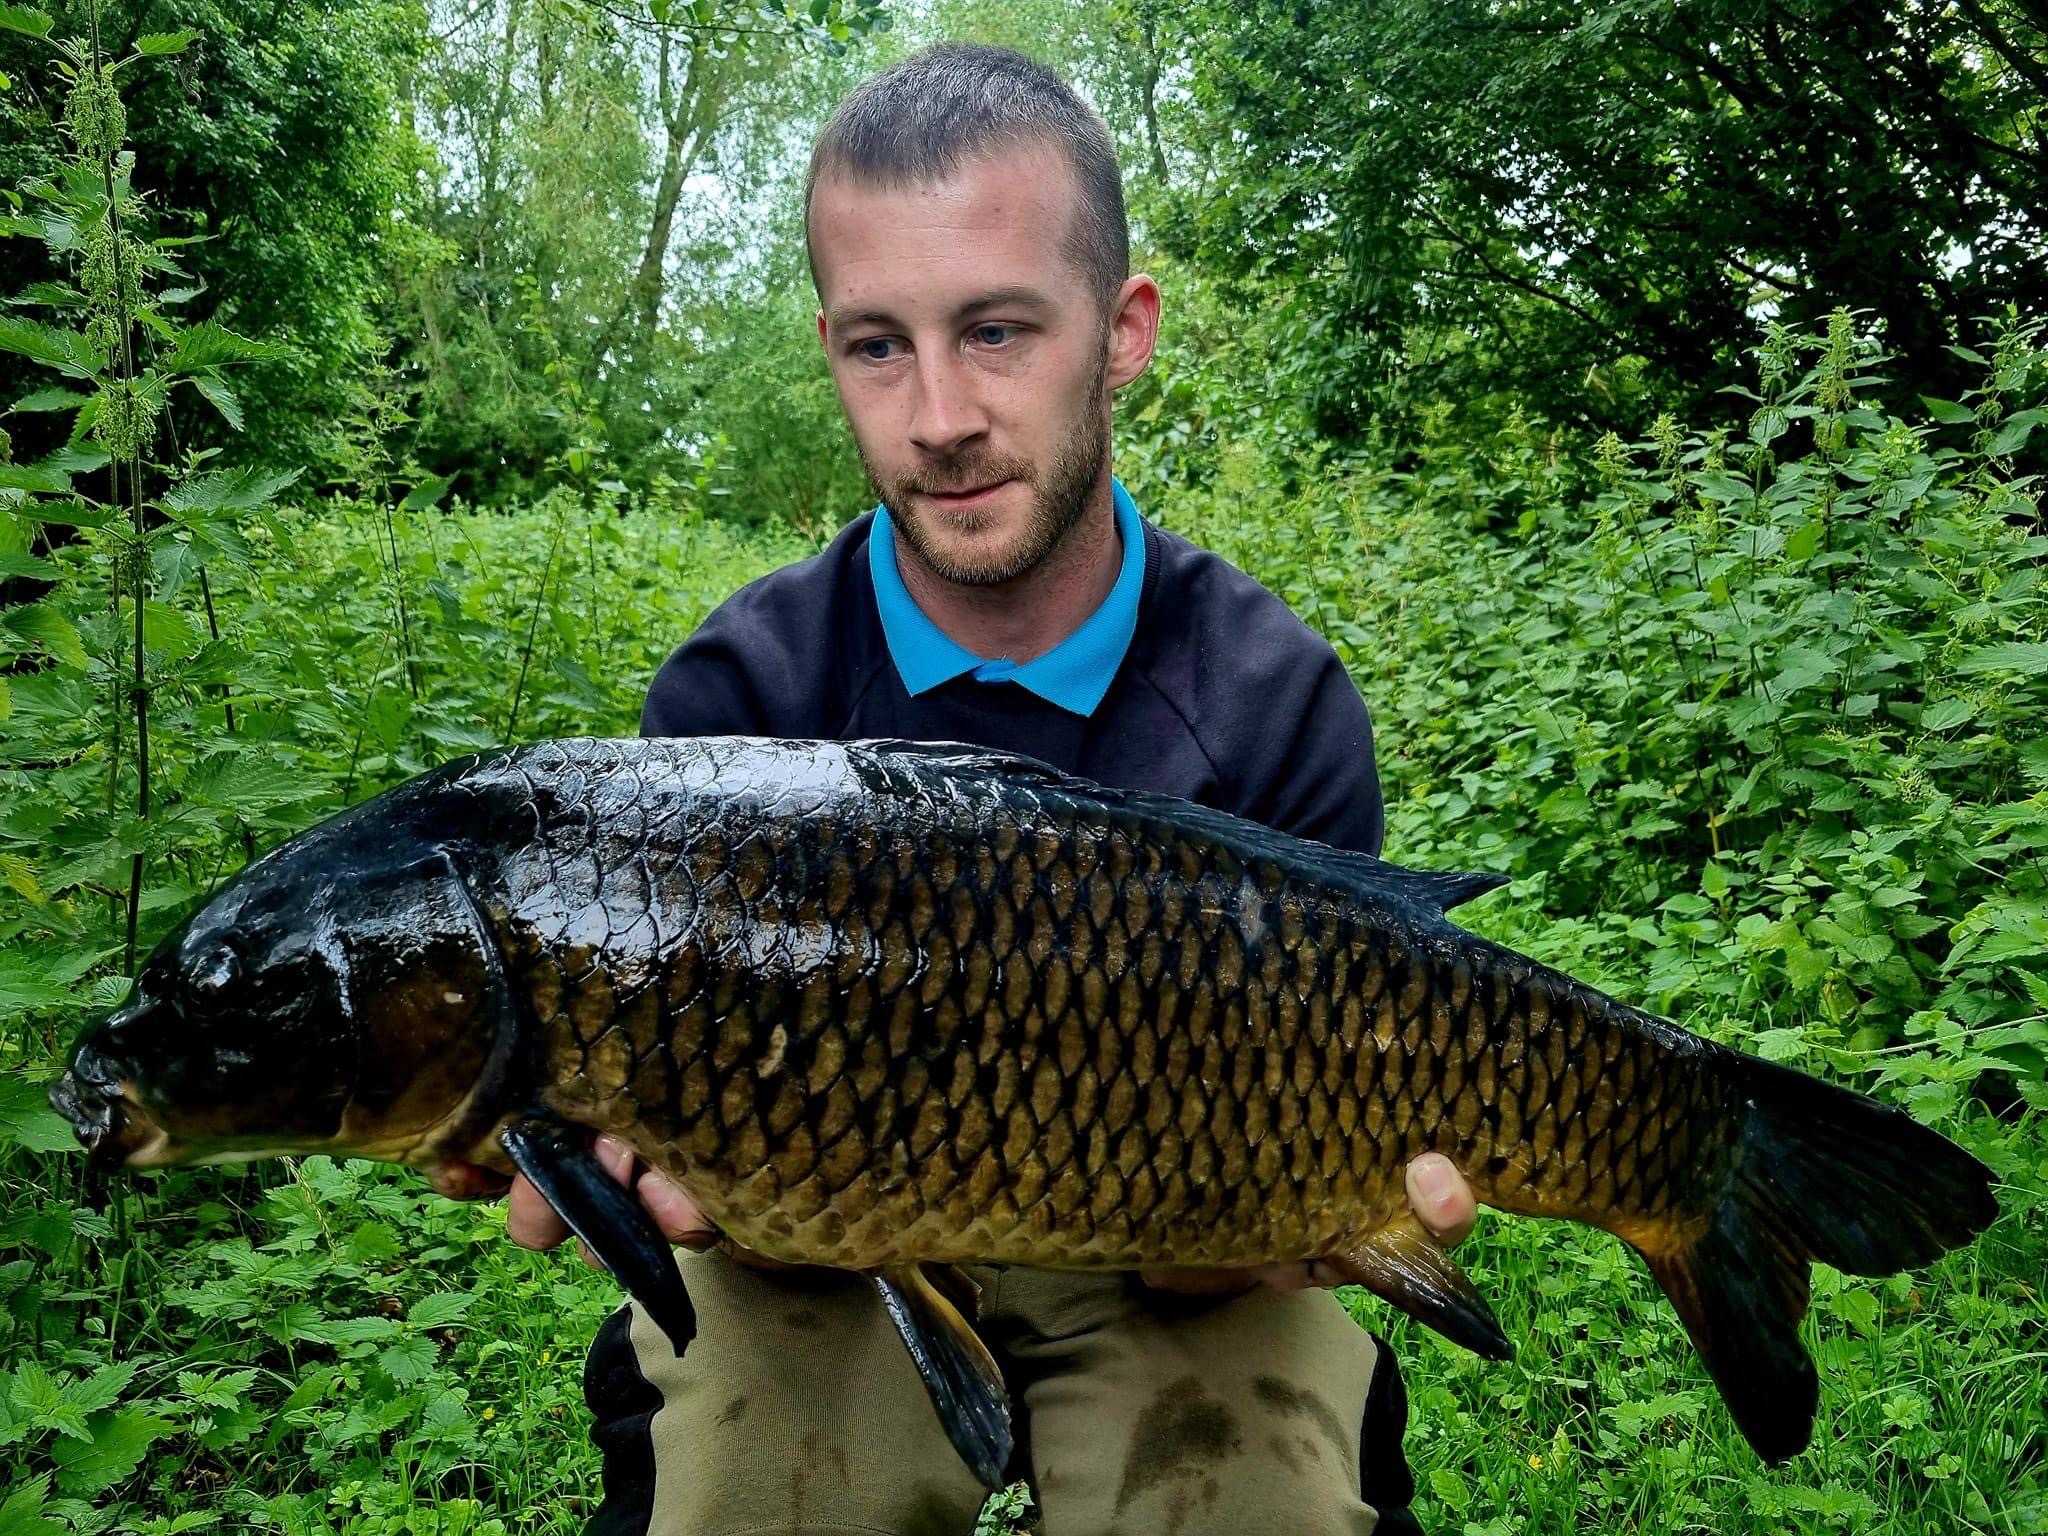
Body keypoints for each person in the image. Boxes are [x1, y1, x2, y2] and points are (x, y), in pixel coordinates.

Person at [437, 41, 1478, 1536]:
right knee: (754, 1479)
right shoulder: (739, 705)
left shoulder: (1270, 701)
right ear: (829, 349)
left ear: (1121, 332)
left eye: (995, 331)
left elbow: (1231, 1228)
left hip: (1172, 1262)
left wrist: (1285, 1207)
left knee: (1248, 1487)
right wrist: (661, 1164)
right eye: (880, 345)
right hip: (827, 1259)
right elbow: (688, 1175)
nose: (938, 416)